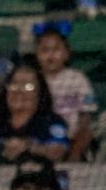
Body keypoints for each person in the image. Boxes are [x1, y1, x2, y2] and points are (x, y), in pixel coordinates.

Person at [0, 60, 69, 164]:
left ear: (39, 92)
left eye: (28, 86)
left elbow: (57, 152)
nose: (19, 91)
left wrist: (28, 147)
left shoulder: (52, 121)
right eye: (14, 84)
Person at [33, 22, 97, 160]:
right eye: (44, 50)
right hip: (43, 139)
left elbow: (86, 116)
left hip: (72, 137)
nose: (50, 56)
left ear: (66, 54)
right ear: (37, 55)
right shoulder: (34, 79)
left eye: (56, 50)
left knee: (87, 132)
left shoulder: (77, 78)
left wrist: (77, 144)